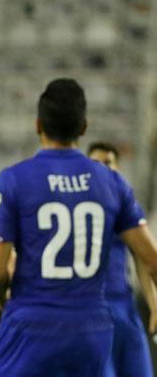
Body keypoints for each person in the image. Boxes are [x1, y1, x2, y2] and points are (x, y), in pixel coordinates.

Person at [0, 78, 157, 376]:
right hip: (93, 330)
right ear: (83, 127)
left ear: (38, 125)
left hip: (32, 325)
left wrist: (3, 300)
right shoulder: (112, 182)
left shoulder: (14, 180)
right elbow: (152, 260)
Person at [88, 141, 157, 377]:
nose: (102, 169)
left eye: (107, 163)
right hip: (92, 309)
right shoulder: (78, 210)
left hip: (124, 306)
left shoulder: (126, 206)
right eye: (95, 163)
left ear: (118, 168)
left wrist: (154, 304)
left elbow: (142, 259)